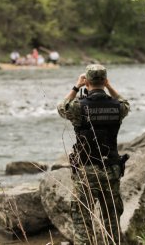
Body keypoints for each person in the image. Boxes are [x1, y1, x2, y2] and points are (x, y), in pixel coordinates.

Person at [57, 64, 130, 245]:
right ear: (104, 82)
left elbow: (61, 107)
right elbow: (126, 103)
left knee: (82, 220)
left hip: (86, 171)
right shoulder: (118, 107)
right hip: (111, 170)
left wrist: (76, 87)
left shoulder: (78, 107)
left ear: (86, 82)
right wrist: (110, 87)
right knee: (111, 220)